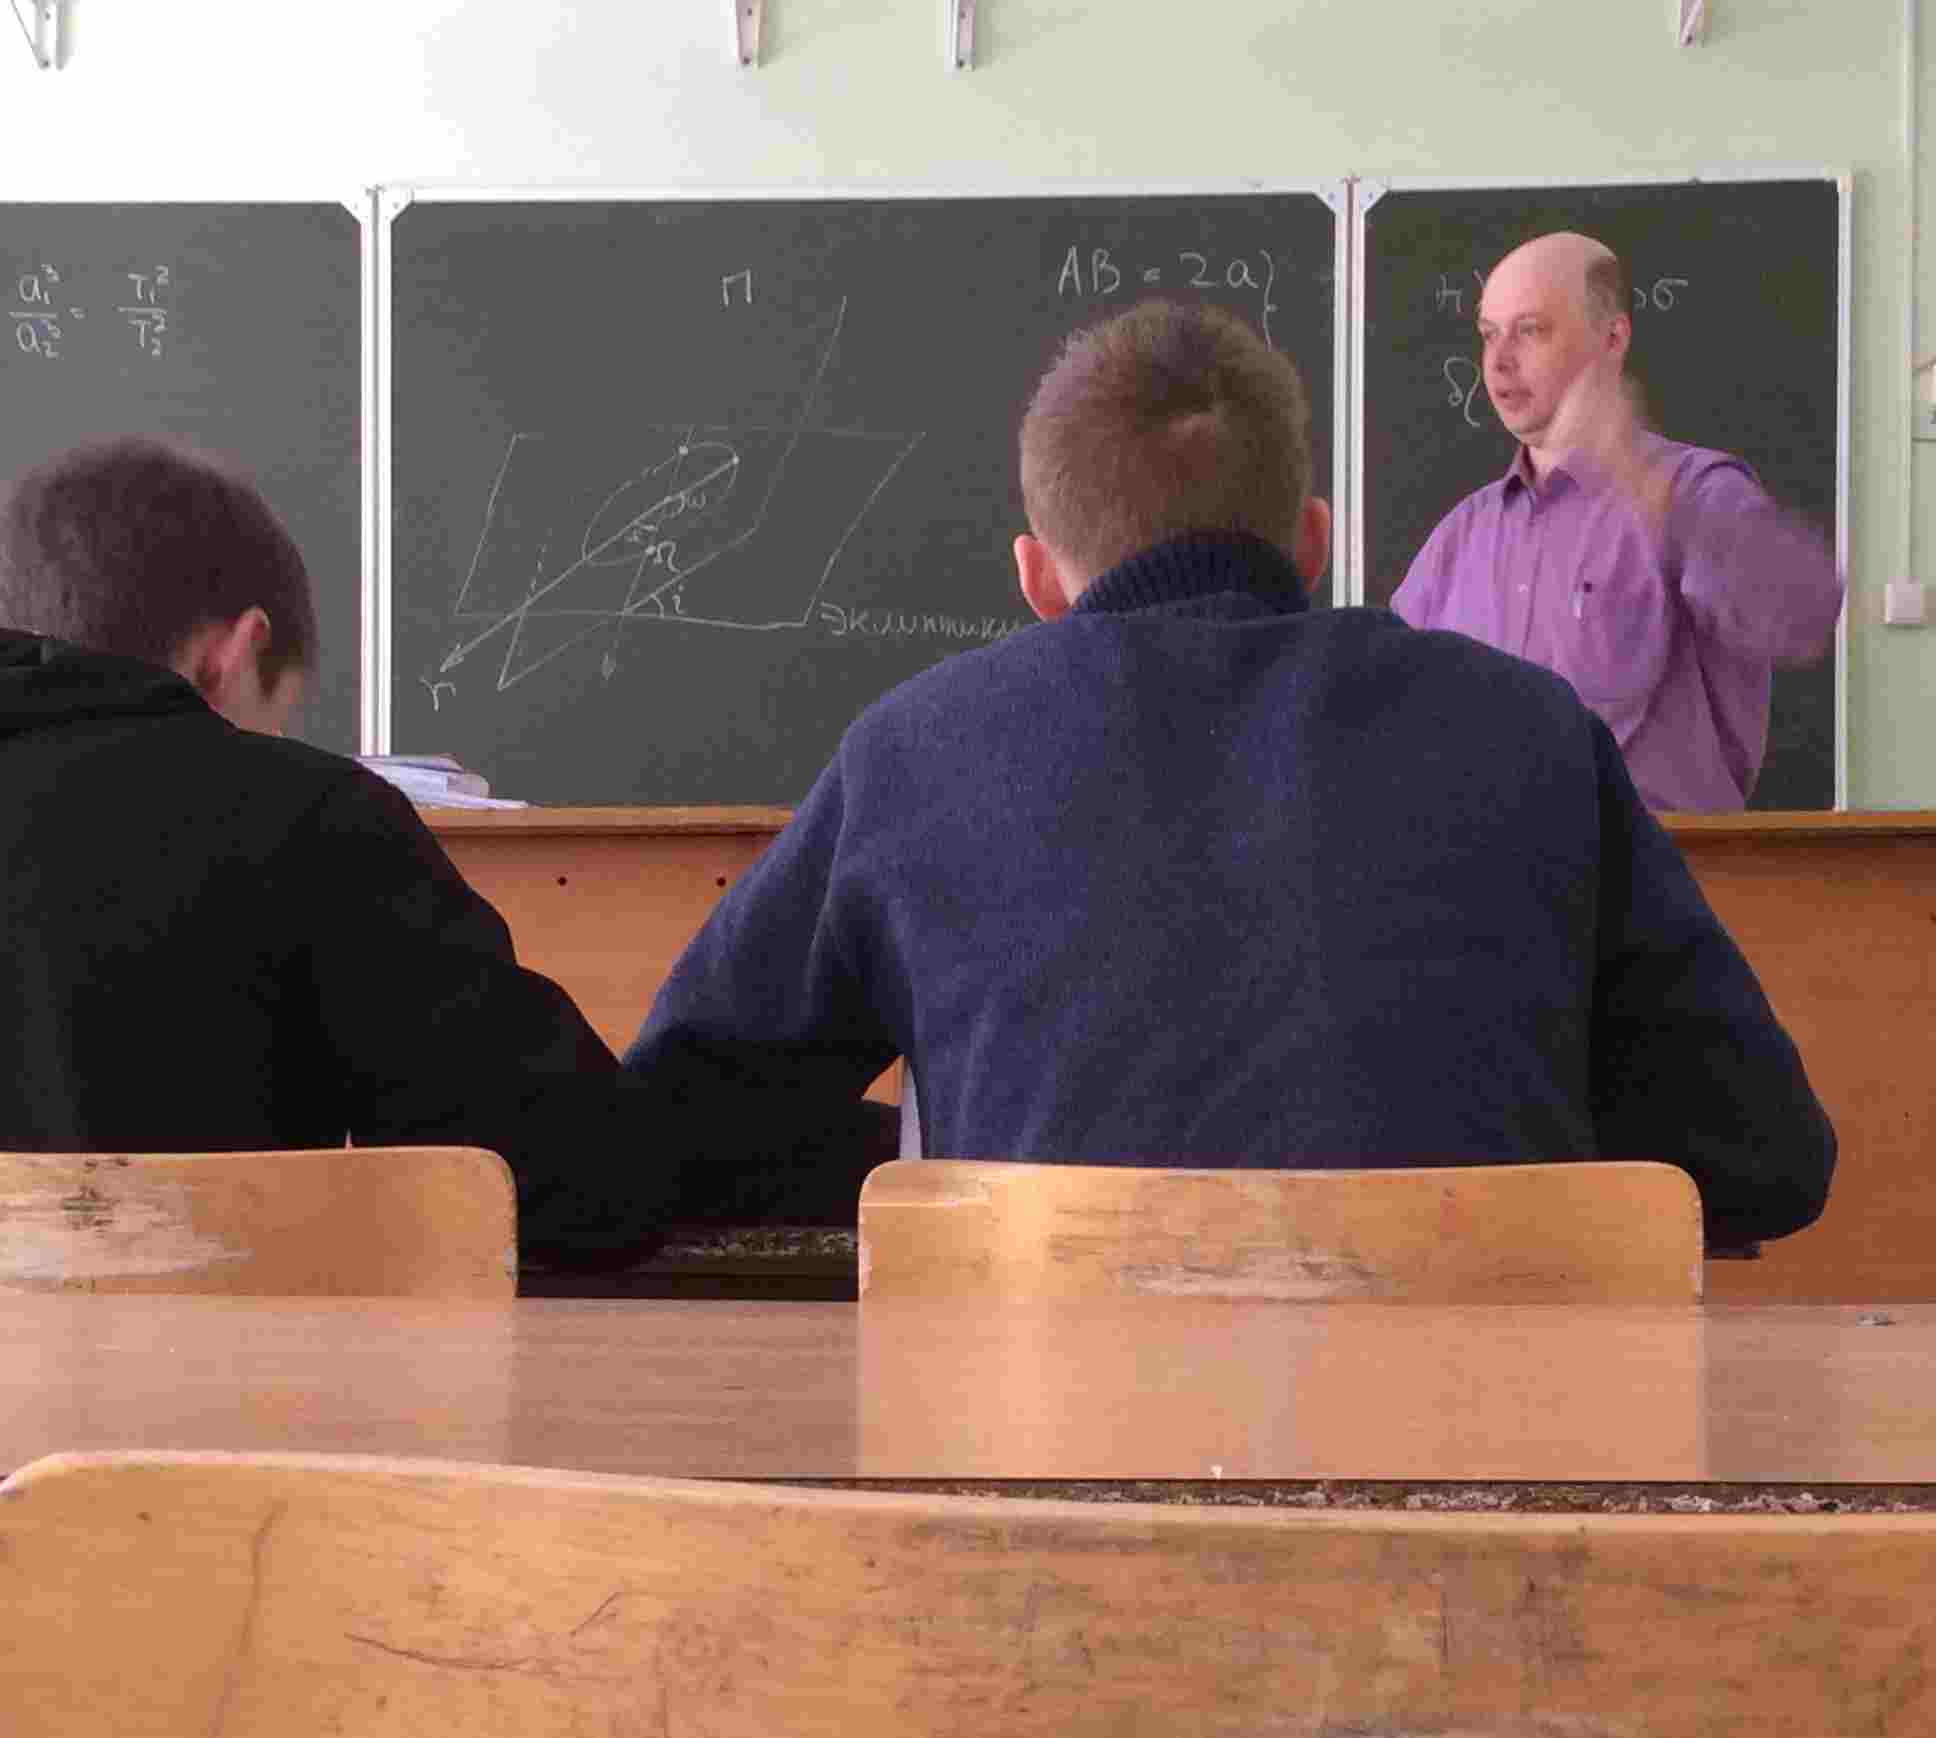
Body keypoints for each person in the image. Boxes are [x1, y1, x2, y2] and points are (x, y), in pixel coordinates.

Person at [624, 298, 1835, 1249]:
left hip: (1038, 1465)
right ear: (1312, 543)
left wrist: (946, 1169)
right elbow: (1766, 1158)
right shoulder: (1530, 731)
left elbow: (674, 1129)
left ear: (1037, 579)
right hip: (1476, 1473)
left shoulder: (912, 751)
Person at [0, 437, 892, 1265]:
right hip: (220, 1383)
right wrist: (910, 1153)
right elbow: (572, 1184)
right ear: (231, 655)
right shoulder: (303, 820)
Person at [1392, 230, 1840, 814]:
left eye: (1530, 330)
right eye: (1489, 333)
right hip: (1483, 864)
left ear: (1612, 338)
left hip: (1655, 863)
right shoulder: (1460, 536)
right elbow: (1392, 711)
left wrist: (1636, 477)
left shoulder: (1695, 490)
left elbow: (1804, 612)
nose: (1498, 362)